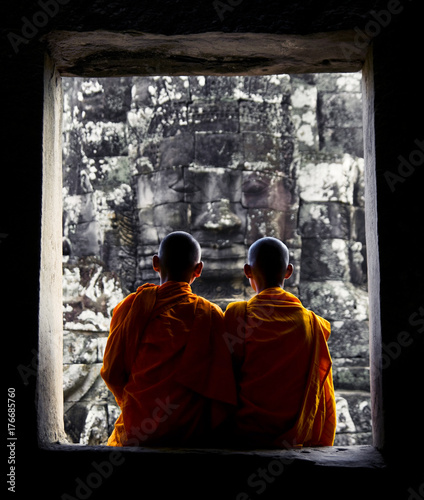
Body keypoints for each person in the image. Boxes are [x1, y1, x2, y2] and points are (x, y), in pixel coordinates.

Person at [101, 231, 237, 447]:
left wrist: (135, 403)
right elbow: (221, 386)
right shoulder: (210, 315)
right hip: (191, 434)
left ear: (156, 263)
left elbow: (111, 372)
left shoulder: (131, 307)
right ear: (199, 270)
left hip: (137, 430)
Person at [224, 237, 336, 448]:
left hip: (246, 434)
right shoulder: (310, 322)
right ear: (288, 271)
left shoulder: (238, 316)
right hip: (295, 436)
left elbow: (223, 379)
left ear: (247, 271)